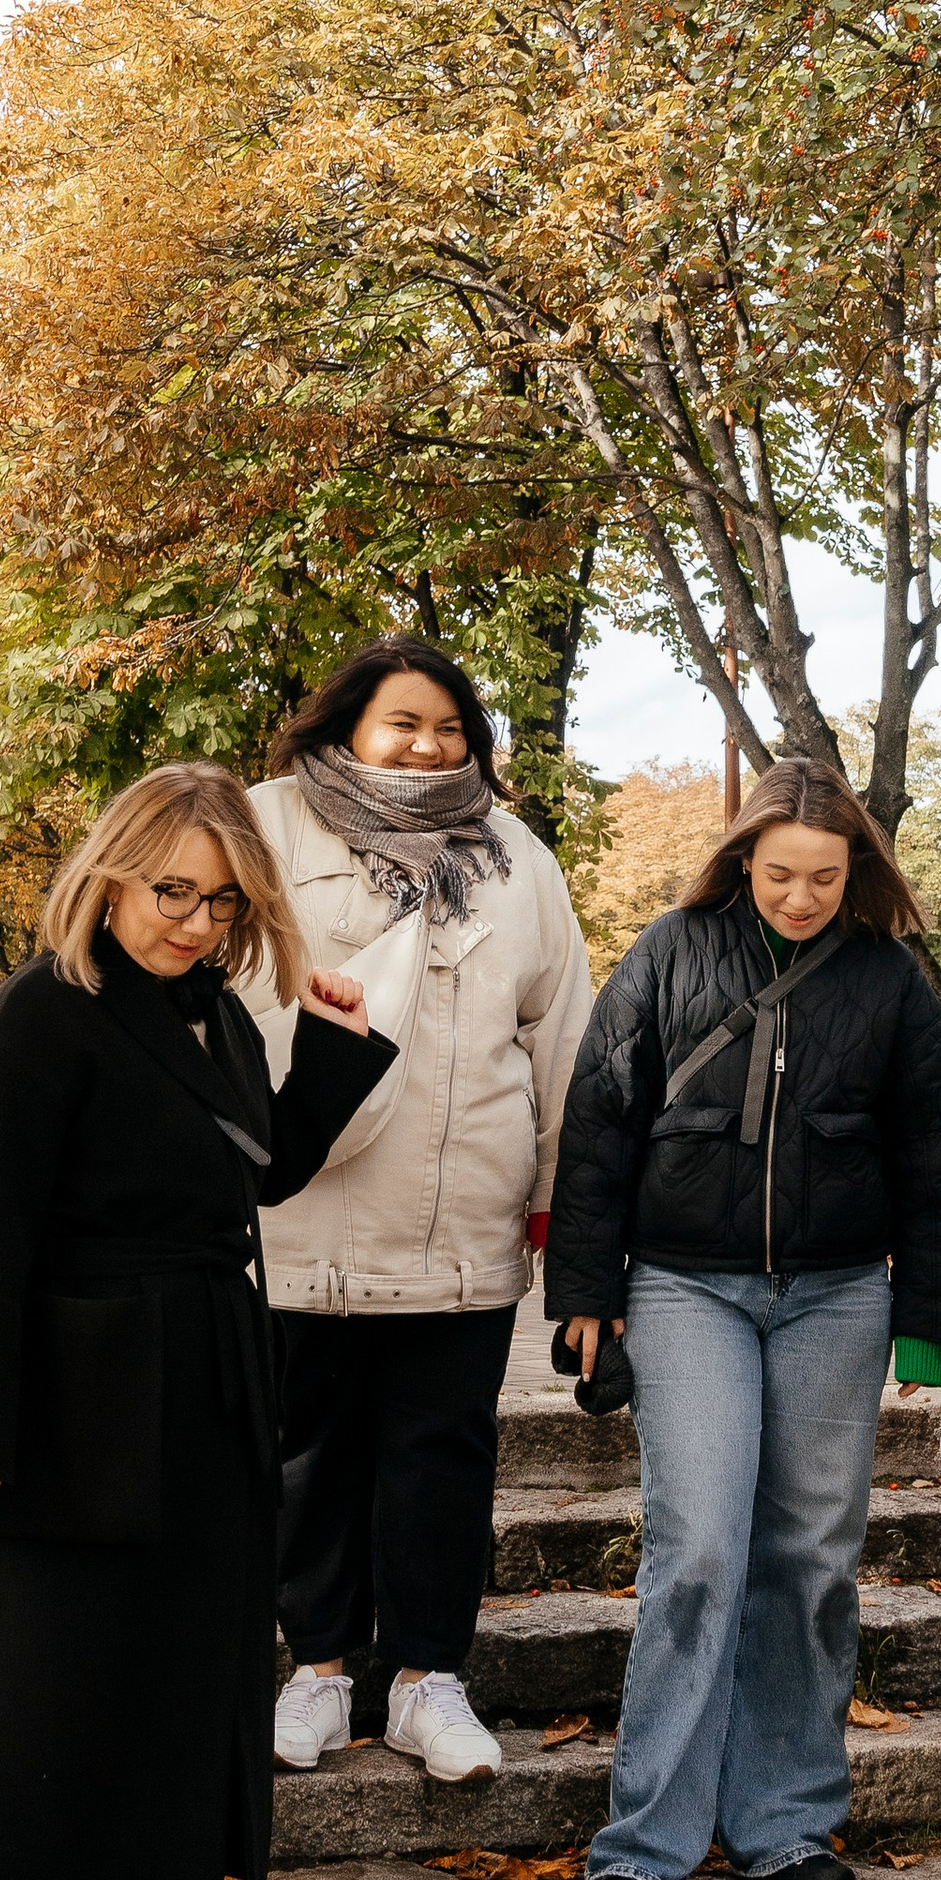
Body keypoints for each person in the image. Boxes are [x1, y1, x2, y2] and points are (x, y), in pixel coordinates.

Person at [0, 762, 393, 1880]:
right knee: (41, 1724)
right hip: (61, 1418)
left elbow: (253, 1170)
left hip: (199, 1408)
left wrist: (326, 1048)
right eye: (173, 891)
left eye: (223, 902)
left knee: (166, 1717)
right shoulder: (35, 1019)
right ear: (109, 872)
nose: (197, 922)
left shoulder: (209, 1015)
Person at [546, 758, 941, 1880]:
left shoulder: (889, 981)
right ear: (743, 860)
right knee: (698, 1550)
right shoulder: (672, 950)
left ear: (858, 871)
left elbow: (936, 1158)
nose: (800, 896)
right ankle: (647, 1836)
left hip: (838, 1296)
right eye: (779, 873)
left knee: (814, 1555)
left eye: (825, 877)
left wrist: (929, 1322)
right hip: (688, 1287)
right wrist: (584, 1281)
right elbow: (599, 1114)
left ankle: (783, 1821)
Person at [255, 636, 591, 1787]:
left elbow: (562, 1038)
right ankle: (316, 1672)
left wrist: (563, 1208)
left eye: (449, 729)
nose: (427, 745)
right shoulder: (267, 826)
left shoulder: (515, 857)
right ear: (345, 725)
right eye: (402, 722)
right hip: (308, 1208)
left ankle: (425, 1680)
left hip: (466, 1215)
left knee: (441, 1455)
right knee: (310, 1454)